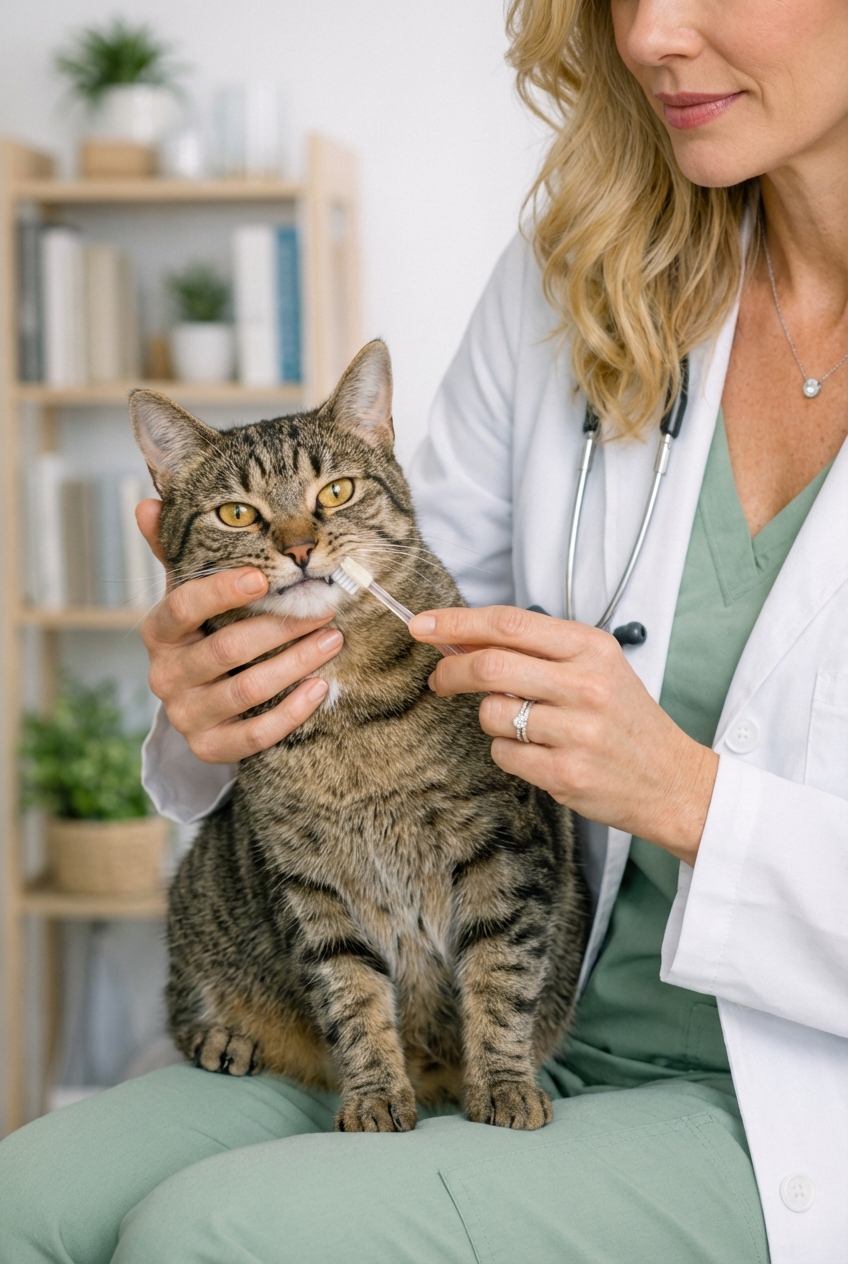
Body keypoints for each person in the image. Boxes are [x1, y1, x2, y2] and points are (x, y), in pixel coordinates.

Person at [2, 0, 846, 1260]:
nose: (651, 35)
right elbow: (399, 589)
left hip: (787, 1084)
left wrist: (686, 797)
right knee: (29, 1200)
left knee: (213, 1238)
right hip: (445, 999)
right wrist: (222, 692)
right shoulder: (580, 270)